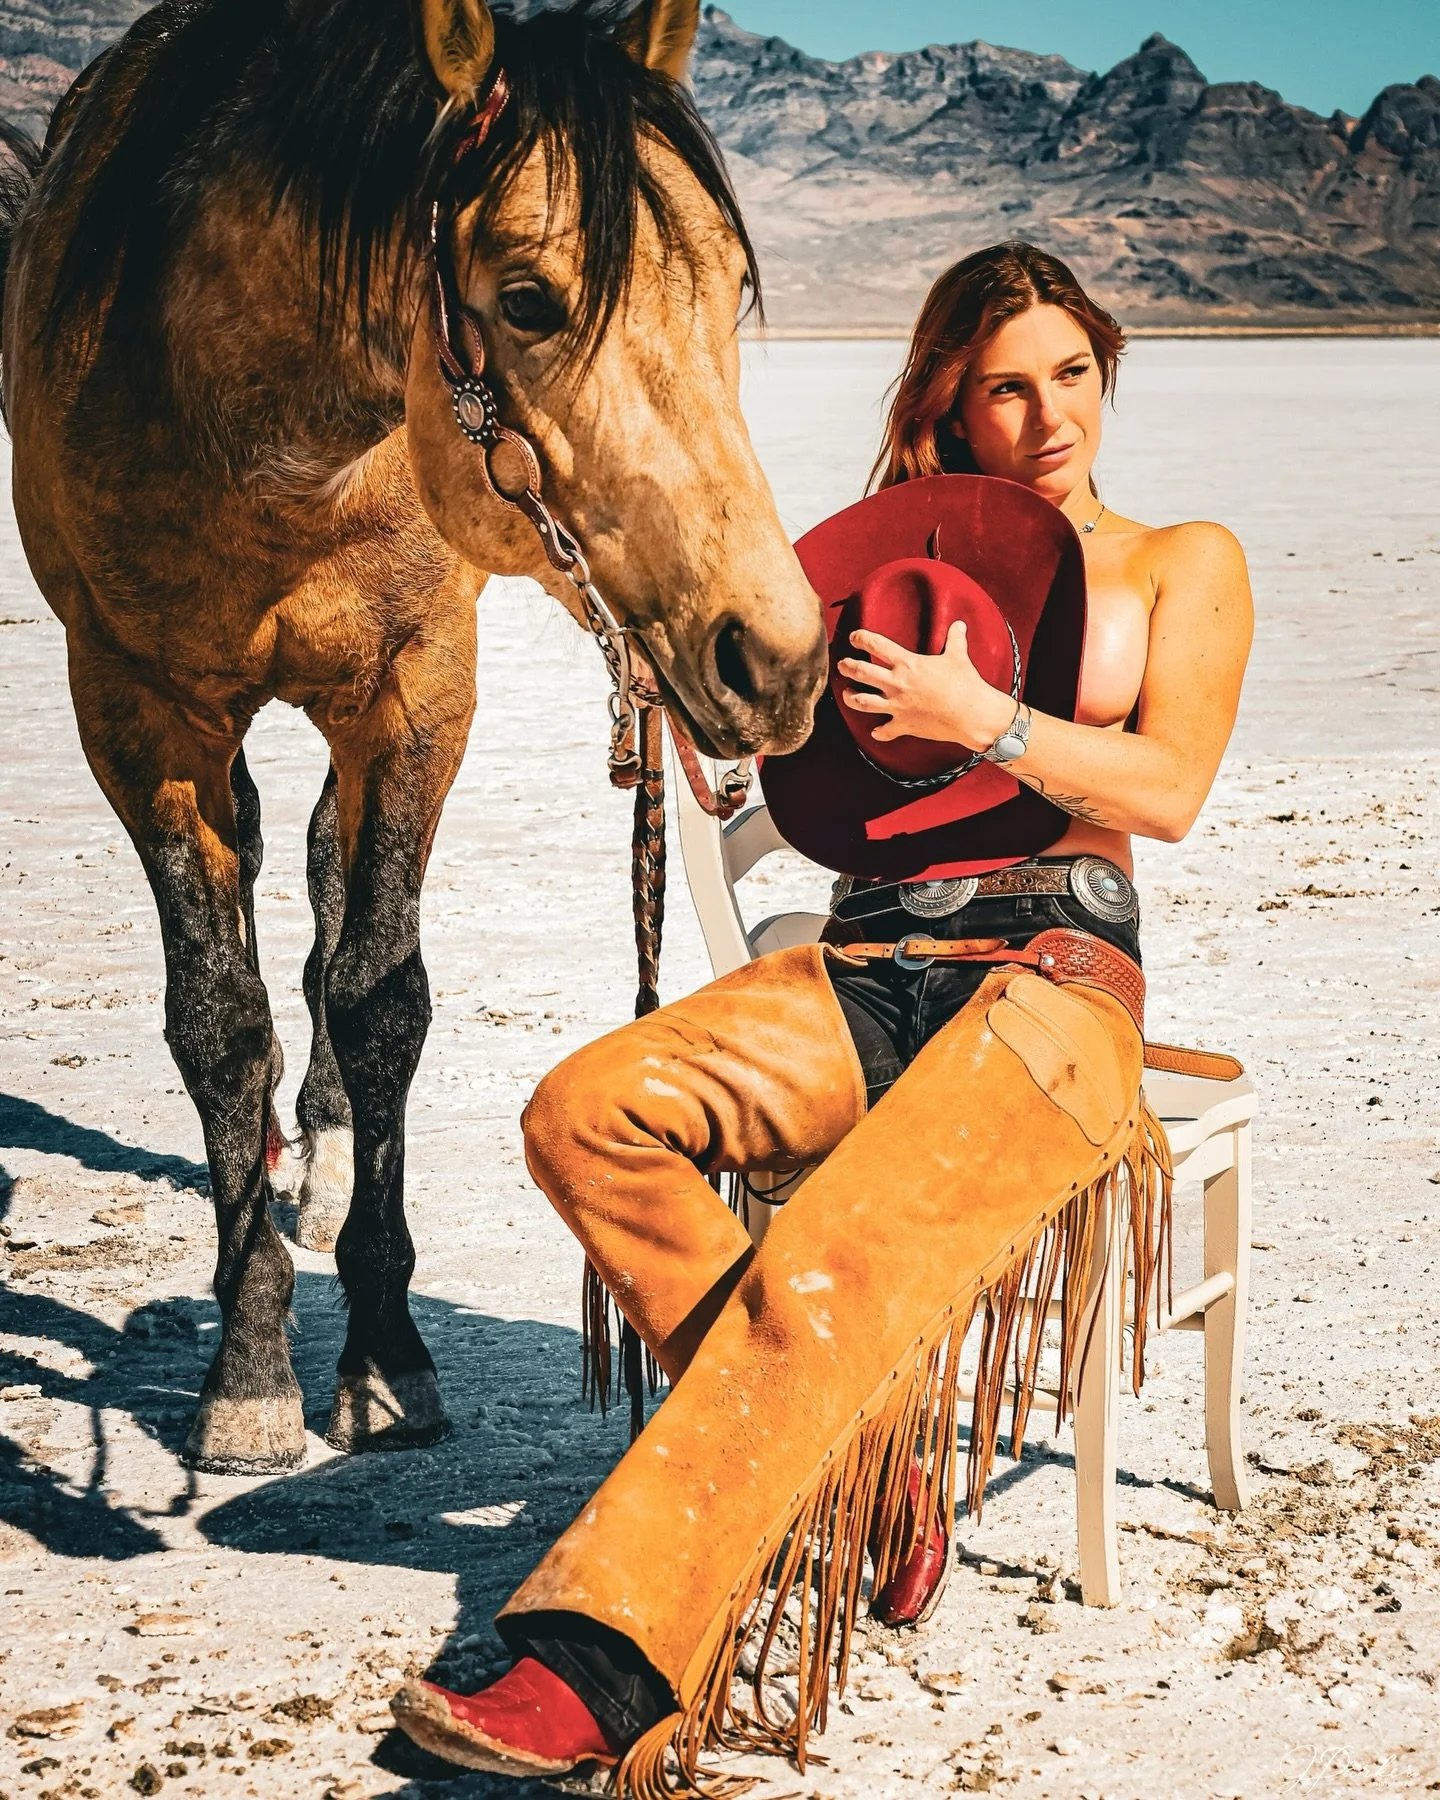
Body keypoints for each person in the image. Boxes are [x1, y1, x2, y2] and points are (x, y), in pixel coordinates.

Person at [391, 241, 1255, 1788]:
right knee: (582, 1117)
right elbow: (822, 804)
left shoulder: (1181, 558)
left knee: (825, 1254)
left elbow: (1172, 789)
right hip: (864, 966)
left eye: (1072, 373)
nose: (1051, 413)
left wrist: (983, 718)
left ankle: (602, 1656)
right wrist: (743, 739)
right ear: (949, 400)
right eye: (1008, 385)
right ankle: (874, 1474)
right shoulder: (879, 575)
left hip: (1052, 983)